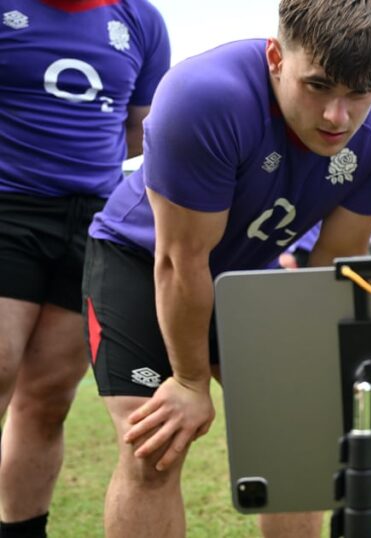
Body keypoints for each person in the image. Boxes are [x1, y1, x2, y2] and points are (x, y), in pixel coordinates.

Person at [81, 1, 371, 536]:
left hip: (248, 277)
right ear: (276, 57)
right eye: (318, 86)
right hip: (144, 262)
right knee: (153, 449)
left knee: (294, 442)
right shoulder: (203, 98)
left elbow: (334, 263)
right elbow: (180, 260)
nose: (338, 117)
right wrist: (190, 380)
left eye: (359, 92)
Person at [0, 1, 169, 536]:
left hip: (93, 217)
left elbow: (140, 127)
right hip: (8, 208)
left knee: (47, 397)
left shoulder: (140, 19)